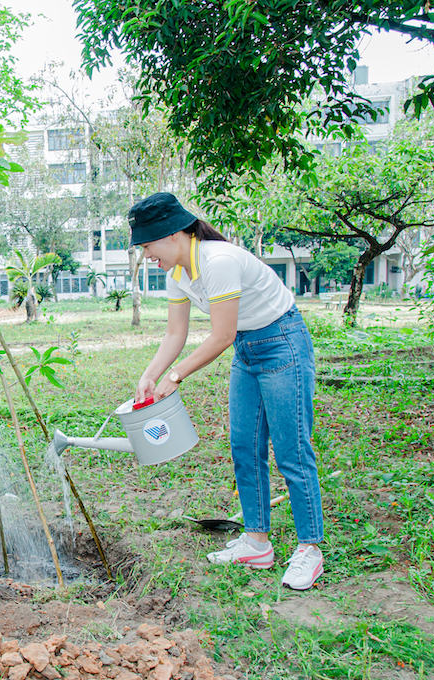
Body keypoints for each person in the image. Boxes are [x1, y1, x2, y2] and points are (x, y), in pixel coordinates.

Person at [129, 193, 324, 590]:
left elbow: (221, 335)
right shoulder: (178, 275)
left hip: (282, 342)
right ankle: (256, 541)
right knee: (244, 445)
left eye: (148, 245)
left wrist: (177, 376)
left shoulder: (217, 261)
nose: (147, 255)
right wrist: (150, 374)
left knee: (291, 448)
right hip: (247, 352)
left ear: (171, 235)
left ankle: (310, 549)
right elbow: (175, 334)